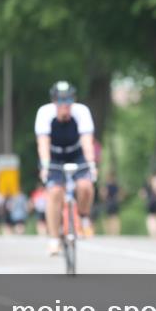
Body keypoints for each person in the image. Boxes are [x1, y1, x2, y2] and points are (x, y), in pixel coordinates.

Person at [35, 81, 98, 256]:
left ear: (73, 100)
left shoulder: (81, 112)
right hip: (54, 156)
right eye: (60, 101)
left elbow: (87, 142)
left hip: (76, 154)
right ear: (54, 102)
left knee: (85, 186)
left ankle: (84, 217)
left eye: (68, 101)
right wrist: (45, 166)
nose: (65, 106)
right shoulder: (45, 113)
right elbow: (43, 143)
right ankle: (54, 239)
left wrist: (91, 164)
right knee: (54, 192)